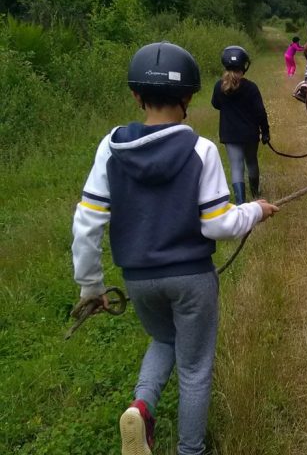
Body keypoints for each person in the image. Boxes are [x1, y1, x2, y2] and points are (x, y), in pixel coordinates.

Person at [70, 41, 279, 455]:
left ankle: (142, 406)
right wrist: (255, 210)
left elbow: (87, 222)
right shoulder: (201, 150)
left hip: (140, 279)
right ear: (188, 97)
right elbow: (219, 224)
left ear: (135, 95)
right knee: (196, 367)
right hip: (192, 280)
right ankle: (191, 450)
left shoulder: (109, 147)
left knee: (164, 340)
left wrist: (90, 285)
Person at [211, 46, 270, 203]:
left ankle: (240, 202)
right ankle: (255, 194)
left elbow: (215, 104)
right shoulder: (251, 88)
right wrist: (265, 131)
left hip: (230, 134)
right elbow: (260, 112)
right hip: (249, 134)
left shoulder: (219, 86)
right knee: (251, 161)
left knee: (236, 166)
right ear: (244, 66)